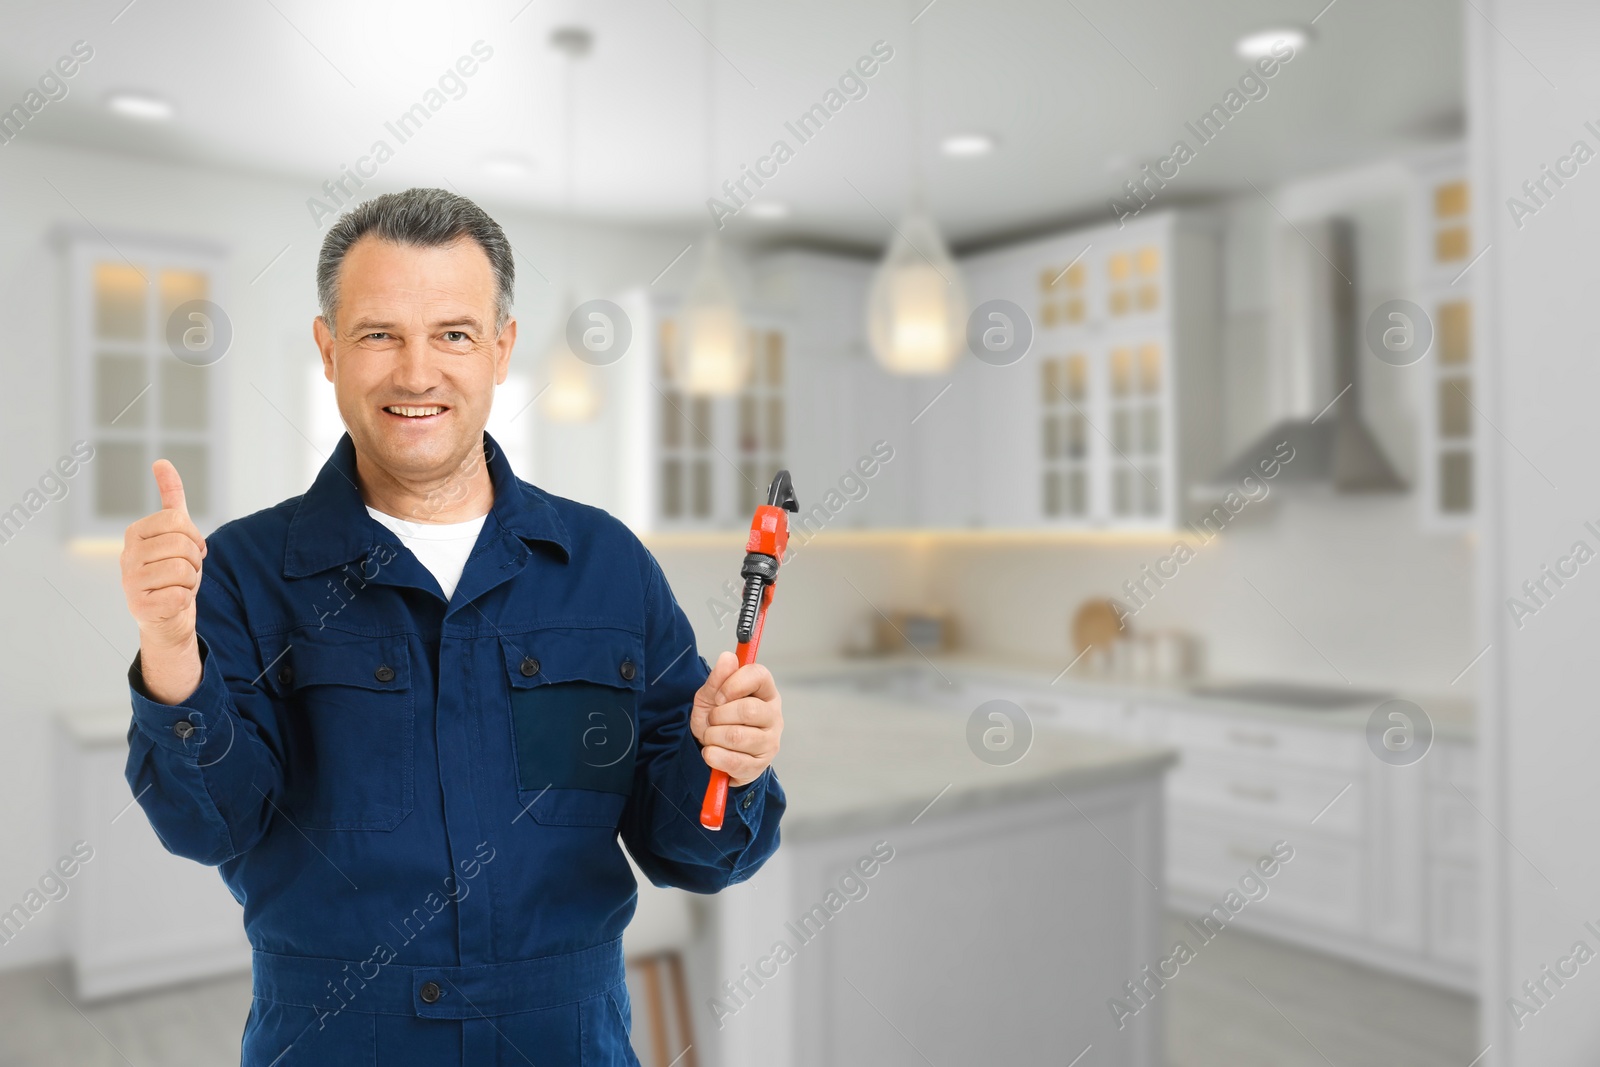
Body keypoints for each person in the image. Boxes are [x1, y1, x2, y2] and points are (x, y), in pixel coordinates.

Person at [117, 187, 785, 1065]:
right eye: (379, 334)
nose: (417, 372)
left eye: (454, 334)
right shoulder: (245, 570)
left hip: (568, 1040)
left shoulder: (606, 567)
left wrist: (731, 760)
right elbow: (209, 825)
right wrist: (170, 652)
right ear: (328, 350)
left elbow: (693, 853)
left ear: (503, 348)